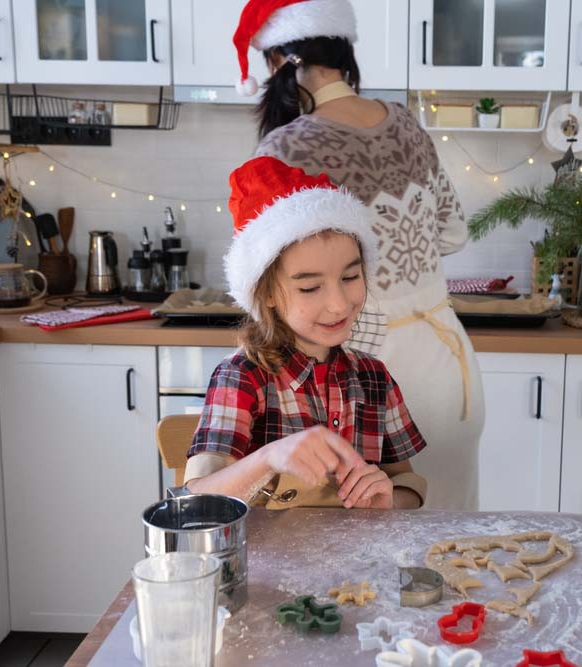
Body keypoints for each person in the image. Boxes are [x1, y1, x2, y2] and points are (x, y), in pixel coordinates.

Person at [231, 0, 485, 510]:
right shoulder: (406, 124)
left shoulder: (283, 147)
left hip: (356, 370)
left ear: (282, 61)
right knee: (449, 539)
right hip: (446, 360)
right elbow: (453, 232)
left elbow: (265, 270)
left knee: (352, 550)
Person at [184, 156, 428, 510]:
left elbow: (408, 483)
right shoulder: (242, 377)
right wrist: (269, 458)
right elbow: (198, 500)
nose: (339, 304)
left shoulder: (374, 379)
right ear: (265, 292)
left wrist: (389, 498)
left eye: (350, 277)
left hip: (357, 563)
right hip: (265, 565)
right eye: (310, 288)